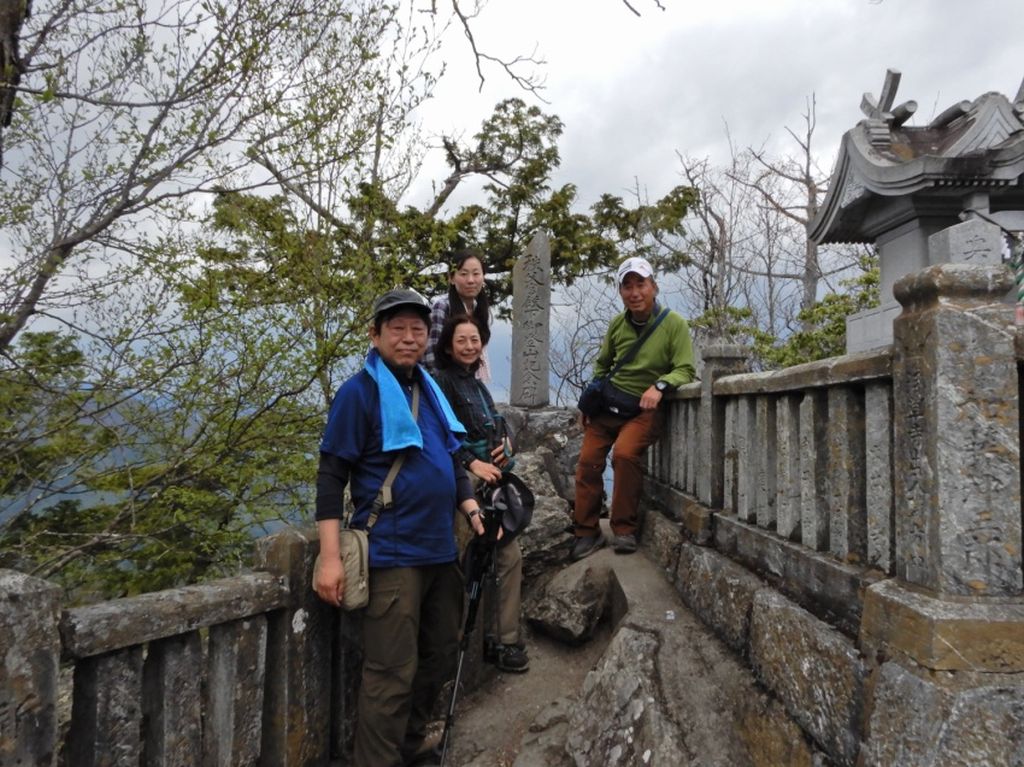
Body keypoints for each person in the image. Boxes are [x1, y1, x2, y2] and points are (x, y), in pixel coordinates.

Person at [314, 288, 487, 766]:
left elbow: (450, 460)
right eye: (397, 329)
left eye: (417, 329)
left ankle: (409, 747)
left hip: (439, 550)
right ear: (375, 335)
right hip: (391, 555)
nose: (409, 338)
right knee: (390, 674)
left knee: (438, 658)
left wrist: (470, 507)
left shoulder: (428, 390)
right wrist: (330, 558)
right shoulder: (359, 393)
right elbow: (331, 477)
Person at [571, 256, 695, 561]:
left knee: (625, 455)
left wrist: (661, 385)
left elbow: (685, 369)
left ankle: (623, 528)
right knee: (587, 461)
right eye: (627, 286)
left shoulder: (674, 324)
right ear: (620, 292)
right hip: (608, 406)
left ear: (653, 286)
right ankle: (586, 531)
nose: (635, 292)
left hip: (644, 409)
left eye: (641, 284)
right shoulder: (618, 323)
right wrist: (592, 398)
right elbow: (603, 364)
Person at [431, 313, 530, 674]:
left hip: (492, 485)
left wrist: (508, 449)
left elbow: (499, 431)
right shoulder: (442, 383)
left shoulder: (477, 385)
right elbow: (441, 435)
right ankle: (492, 641)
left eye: (475, 340)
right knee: (491, 557)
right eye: (462, 340)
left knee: (504, 555)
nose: (470, 346)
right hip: (464, 487)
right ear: (447, 345)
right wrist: (472, 463)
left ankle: (499, 639)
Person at [423, 248, 491, 375]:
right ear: (451, 278)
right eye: (464, 274)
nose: (470, 280)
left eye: (476, 274)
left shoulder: (479, 308)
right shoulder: (442, 306)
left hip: (468, 381)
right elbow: (431, 357)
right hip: (444, 383)